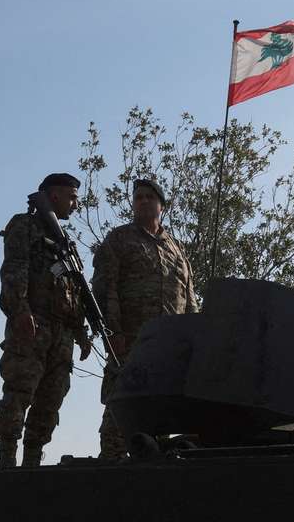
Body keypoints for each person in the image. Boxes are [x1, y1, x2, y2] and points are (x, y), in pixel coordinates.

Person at [91, 178, 197, 459]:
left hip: (168, 345)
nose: (143, 201)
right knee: (122, 403)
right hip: (131, 339)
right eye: (138, 197)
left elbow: (189, 297)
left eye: (150, 197)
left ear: (161, 206)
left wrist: (193, 340)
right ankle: (111, 460)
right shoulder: (120, 239)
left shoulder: (176, 249)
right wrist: (113, 331)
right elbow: (105, 286)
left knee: (161, 405)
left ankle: (151, 461)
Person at [0, 173, 92, 468]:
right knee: (20, 391)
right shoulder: (24, 226)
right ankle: (8, 461)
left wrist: (81, 331)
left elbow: (72, 289)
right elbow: (14, 270)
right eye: (72, 197)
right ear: (54, 196)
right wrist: (21, 310)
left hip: (61, 333)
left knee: (51, 400)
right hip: (33, 324)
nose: (75, 204)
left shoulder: (63, 242)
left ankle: (33, 462)